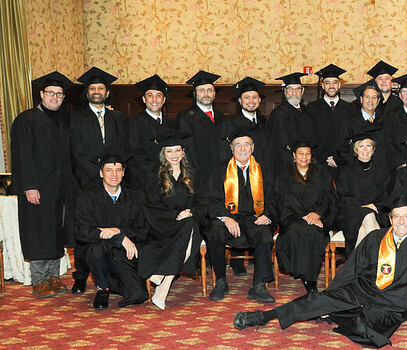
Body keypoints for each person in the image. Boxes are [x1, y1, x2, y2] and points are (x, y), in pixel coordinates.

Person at [232, 198, 407, 349]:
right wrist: (332, 296)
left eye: (406, 216)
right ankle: (263, 317)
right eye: (397, 216)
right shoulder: (376, 238)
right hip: (364, 289)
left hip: (394, 303)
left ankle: (340, 315)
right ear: (390, 218)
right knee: (317, 300)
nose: (402, 221)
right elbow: (353, 268)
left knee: (364, 327)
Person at [10, 71, 76, 297]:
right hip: (37, 188)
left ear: (63, 97)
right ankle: (39, 279)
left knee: (56, 231)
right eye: (50, 93)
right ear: (41, 94)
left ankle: (53, 276)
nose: (55, 97)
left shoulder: (66, 119)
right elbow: (22, 156)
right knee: (38, 231)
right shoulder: (26, 119)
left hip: (61, 187)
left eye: (59, 94)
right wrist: (29, 186)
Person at [70, 66, 127, 294]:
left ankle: (112, 273)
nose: (96, 91)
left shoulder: (117, 117)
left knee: (111, 228)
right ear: (87, 93)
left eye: (100, 88)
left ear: (107, 92)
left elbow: (122, 148)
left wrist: (112, 175)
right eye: (92, 88)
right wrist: (97, 174)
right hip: (86, 181)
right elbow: (76, 151)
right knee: (86, 232)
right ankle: (80, 276)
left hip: (113, 182)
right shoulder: (76, 118)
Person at [206, 126, 278, 303]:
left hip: (255, 218)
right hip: (230, 218)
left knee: (265, 232)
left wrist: (267, 215)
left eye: (247, 144)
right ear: (231, 148)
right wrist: (226, 218)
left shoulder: (264, 170)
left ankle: (258, 286)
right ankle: (221, 281)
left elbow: (274, 197)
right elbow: (211, 199)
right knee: (215, 229)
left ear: (253, 147)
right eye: (238, 145)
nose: (243, 149)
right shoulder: (220, 170)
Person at [74, 153, 149, 310]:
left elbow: (143, 231)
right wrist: (119, 237)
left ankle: (112, 283)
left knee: (139, 295)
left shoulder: (134, 197)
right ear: (101, 173)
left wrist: (117, 231)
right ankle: (102, 288)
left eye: (118, 170)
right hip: (97, 253)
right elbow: (82, 232)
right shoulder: (87, 197)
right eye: (109, 170)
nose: (114, 174)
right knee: (96, 247)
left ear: (123, 173)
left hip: (123, 255)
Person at [138, 130, 202, 309]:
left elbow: (202, 200)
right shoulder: (154, 175)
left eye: (178, 150)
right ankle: (164, 282)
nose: (174, 155)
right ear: (163, 154)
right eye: (169, 151)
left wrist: (190, 211)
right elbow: (150, 206)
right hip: (162, 225)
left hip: (188, 222)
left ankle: (164, 281)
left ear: (183, 152)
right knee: (190, 229)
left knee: (191, 224)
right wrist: (175, 216)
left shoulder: (192, 173)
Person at [274, 141, 338, 294]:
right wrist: (303, 215)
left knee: (315, 233)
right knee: (295, 232)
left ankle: (310, 279)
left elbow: (330, 197)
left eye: (308, 153)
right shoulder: (285, 174)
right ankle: (306, 275)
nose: (304, 157)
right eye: (301, 153)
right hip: (293, 217)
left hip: (318, 218)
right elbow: (283, 198)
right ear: (294, 155)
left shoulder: (321, 172)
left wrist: (318, 214)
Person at [334, 130, 392, 256]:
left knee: (363, 228)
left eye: (368, 146)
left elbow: (386, 194)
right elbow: (343, 195)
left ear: (373, 149)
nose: (365, 150)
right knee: (368, 215)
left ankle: (357, 262)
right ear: (356, 149)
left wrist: (375, 206)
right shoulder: (346, 170)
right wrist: (361, 207)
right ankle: (376, 259)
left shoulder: (382, 171)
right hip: (351, 213)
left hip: (377, 210)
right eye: (361, 146)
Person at [126, 75, 176, 190]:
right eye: (150, 95)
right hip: (144, 182)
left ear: (164, 100)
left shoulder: (172, 123)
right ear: (144, 99)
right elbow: (134, 154)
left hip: (170, 180)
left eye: (158, 95)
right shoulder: (134, 122)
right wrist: (158, 173)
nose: (154, 100)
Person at [307, 64, 356, 179]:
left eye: (335, 82)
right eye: (327, 83)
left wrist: (338, 158)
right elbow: (310, 136)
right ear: (322, 85)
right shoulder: (312, 108)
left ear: (339, 85)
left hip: (344, 164)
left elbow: (352, 137)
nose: (331, 86)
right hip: (319, 164)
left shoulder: (350, 109)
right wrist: (325, 158)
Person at [176, 70, 226, 184]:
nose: (206, 94)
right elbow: (187, 148)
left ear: (214, 94)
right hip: (198, 175)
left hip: (220, 173)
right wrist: (194, 173)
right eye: (201, 90)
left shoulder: (220, 116)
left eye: (209, 90)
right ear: (195, 94)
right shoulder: (186, 117)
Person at [217, 77, 272, 171]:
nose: (251, 101)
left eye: (254, 97)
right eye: (246, 97)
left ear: (259, 100)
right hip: (241, 174)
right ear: (240, 101)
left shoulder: (264, 121)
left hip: (265, 172)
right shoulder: (230, 124)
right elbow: (224, 154)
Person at [269, 72, 313, 172]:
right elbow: (280, 144)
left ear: (302, 91)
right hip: (288, 165)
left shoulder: (307, 111)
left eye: (297, 89)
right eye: (290, 89)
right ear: (284, 91)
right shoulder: (279, 113)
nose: (294, 93)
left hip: (307, 163)